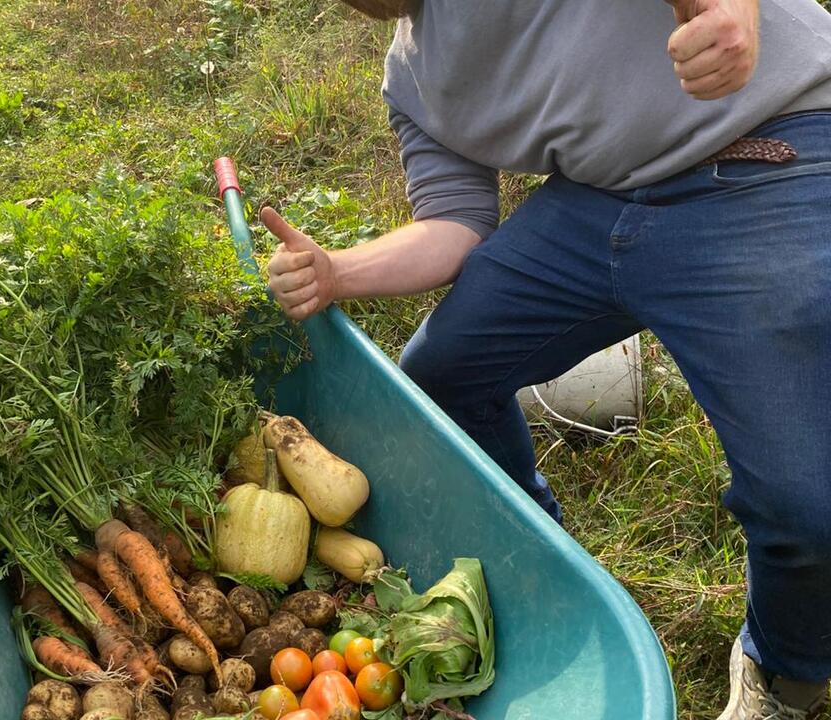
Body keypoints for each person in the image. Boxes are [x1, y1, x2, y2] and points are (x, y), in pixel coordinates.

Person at [262, 0, 831, 717]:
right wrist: (336, 271)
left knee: (807, 507)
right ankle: (543, 559)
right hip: (601, 200)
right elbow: (452, 223)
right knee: (442, 379)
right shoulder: (412, 79)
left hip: (768, 154)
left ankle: (785, 675)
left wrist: (728, 12)